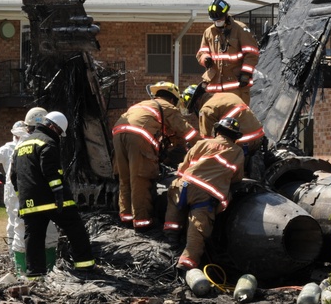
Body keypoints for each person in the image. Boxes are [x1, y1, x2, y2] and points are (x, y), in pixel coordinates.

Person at [11, 111, 98, 278]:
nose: (58, 135)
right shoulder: (48, 142)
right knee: (75, 228)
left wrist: (21, 197)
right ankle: (85, 266)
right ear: (52, 126)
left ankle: (35, 274)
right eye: (59, 131)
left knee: (34, 238)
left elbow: (14, 176)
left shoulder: (21, 145)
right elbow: (51, 171)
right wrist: (58, 193)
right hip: (52, 199)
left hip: (29, 203)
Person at [111, 82, 198, 233]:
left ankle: (126, 218)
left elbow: (166, 133)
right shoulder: (168, 107)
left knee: (125, 179)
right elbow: (187, 132)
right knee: (140, 180)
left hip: (118, 133)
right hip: (137, 136)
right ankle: (142, 222)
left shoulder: (144, 104)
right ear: (173, 99)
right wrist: (205, 144)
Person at [163, 116, 245, 272]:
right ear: (235, 136)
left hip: (184, 184)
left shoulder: (202, 143)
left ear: (217, 131)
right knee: (198, 229)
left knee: (174, 202)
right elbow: (237, 177)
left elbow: (183, 167)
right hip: (206, 194)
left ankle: (171, 239)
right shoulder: (237, 152)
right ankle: (186, 265)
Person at [182, 83, 266, 178]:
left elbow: (206, 143)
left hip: (243, 143)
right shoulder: (228, 95)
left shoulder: (206, 110)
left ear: (197, 101)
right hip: (259, 136)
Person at [0, 120, 30, 274]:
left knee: (21, 222)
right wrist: (0, 177)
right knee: (14, 222)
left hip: (21, 189)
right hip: (11, 192)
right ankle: (13, 253)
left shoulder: (22, 146)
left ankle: (21, 253)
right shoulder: (7, 149)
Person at [196, 0, 260, 104]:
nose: (217, 22)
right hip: (214, 86)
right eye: (214, 20)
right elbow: (201, 52)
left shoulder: (240, 29)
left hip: (236, 85)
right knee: (215, 117)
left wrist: (246, 73)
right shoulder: (208, 32)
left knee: (236, 117)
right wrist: (205, 58)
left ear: (226, 15)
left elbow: (251, 53)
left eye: (219, 19)